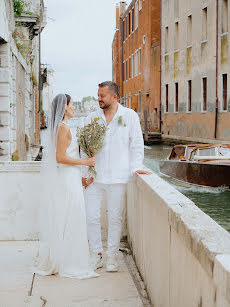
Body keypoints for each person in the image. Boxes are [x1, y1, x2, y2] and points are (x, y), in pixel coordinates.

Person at [82, 81, 151, 272]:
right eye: (98, 95)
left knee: (114, 218)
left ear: (114, 97)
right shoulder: (92, 117)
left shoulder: (129, 116)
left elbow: (136, 144)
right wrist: (85, 173)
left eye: (102, 96)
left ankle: (111, 256)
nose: (99, 99)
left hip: (119, 176)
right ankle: (96, 254)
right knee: (91, 217)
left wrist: (136, 167)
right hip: (94, 177)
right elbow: (84, 147)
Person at [33, 93, 98, 279]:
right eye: (71, 104)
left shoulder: (63, 127)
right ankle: (69, 262)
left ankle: (65, 258)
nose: (74, 107)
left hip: (70, 177)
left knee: (69, 217)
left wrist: (81, 176)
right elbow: (60, 158)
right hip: (67, 178)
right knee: (72, 217)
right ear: (64, 107)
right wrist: (85, 162)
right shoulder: (62, 128)